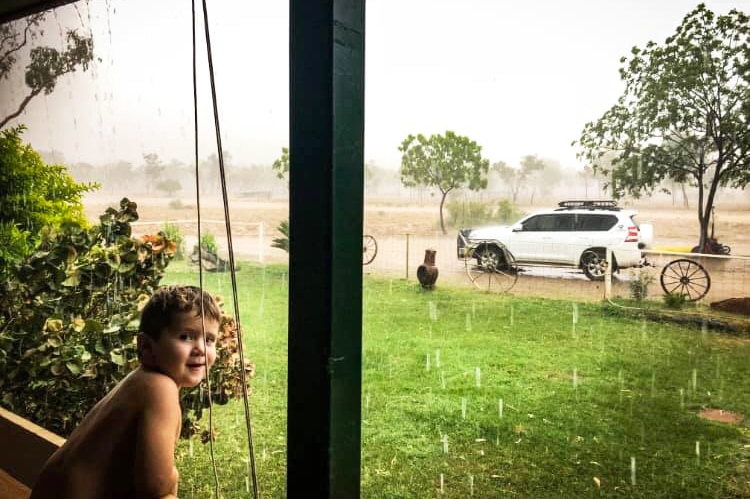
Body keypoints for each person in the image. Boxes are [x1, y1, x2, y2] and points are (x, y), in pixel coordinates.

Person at [30, 285, 221, 499]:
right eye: (186, 336)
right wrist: (173, 477)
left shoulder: (140, 381)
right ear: (147, 347)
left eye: (209, 339)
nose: (201, 349)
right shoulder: (160, 389)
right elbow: (156, 489)